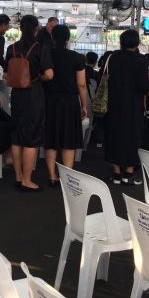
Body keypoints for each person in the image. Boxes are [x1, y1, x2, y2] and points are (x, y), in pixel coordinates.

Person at [5, 14, 54, 191]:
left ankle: (18, 178)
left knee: (17, 136)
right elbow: (49, 75)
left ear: (20, 29)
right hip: (34, 95)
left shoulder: (11, 48)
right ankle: (27, 180)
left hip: (16, 95)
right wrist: (39, 77)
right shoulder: (41, 48)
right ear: (36, 29)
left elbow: (6, 75)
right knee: (31, 138)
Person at [104, 30, 149, 184]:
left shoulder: (113, 58)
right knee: (132, 136)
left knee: (114, 135)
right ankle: (128, 173)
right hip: (133, 106)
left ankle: (116, 173)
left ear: (121, 42)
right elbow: (144, 87)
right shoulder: (141, 61)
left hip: (114, 103)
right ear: (137, 43)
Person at [43, 25, 88, 185]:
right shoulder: (77, 57)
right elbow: (81, 84)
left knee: (51, 138)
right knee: (69, 139)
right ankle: (67, 177)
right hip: (70, 102)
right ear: (68, 38)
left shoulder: (46, 55)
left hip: (49, 101)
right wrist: (84, 105)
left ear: (52, 38)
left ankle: (52, 176)